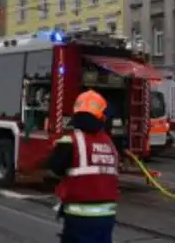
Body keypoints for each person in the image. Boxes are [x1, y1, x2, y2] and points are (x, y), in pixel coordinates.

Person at [47, 90, 118, 243]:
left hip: (80, 217)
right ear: (101, 116)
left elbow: (55, 167)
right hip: (107, 217)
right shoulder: (110, 143)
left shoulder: (71, 141)